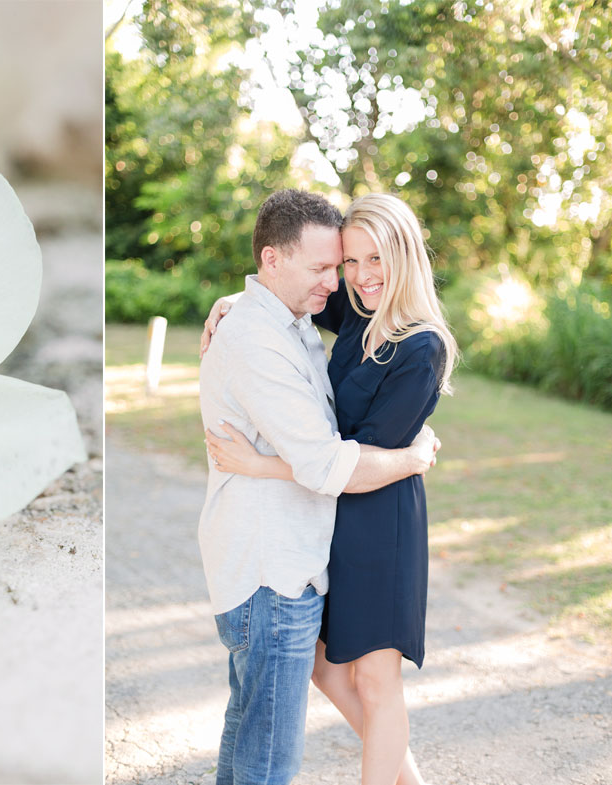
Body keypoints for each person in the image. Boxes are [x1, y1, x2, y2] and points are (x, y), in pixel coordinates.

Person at [201, 192, 457, 785]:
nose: (359, 276)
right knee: (322, 664)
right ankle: (407, 778)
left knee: (375, 678)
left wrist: (415, 458)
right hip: (332, 510)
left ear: (406, 257)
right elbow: (287, 294)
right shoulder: (360, 312)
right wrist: (236, 300)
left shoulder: (423, 348)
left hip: (379, 518)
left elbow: (360, 461)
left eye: (375, 260)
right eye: (349, 262)